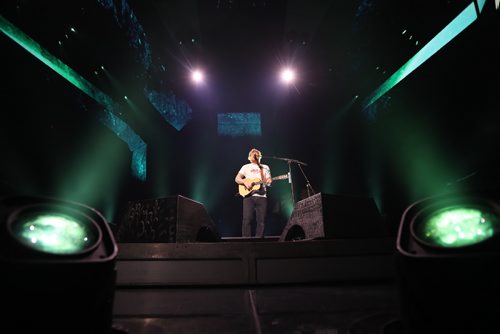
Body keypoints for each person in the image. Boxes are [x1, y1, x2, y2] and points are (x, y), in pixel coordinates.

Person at [235, 148, 272, 238]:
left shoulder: (265, 167)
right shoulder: (245, 167)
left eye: (256, 153)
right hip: (248, 196)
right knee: (247, 219)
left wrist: (269, 181)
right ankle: (246, 241)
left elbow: (268, 182)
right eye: (252, 154)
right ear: (249, 157)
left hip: (262, 196)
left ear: (260, 156)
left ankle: (259, 241)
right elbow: (237, 179)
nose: (254, 154)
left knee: (261, 220)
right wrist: (245, 182)